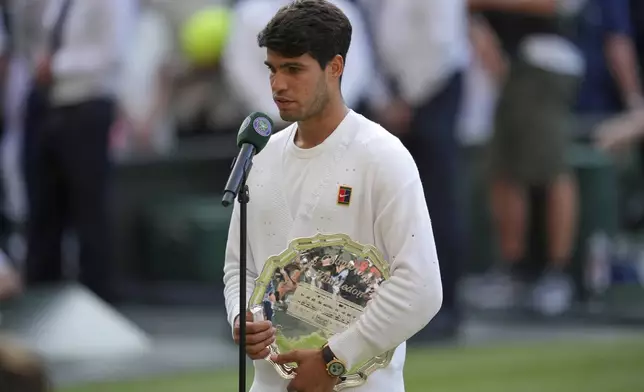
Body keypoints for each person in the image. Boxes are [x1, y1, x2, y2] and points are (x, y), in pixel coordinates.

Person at [222, 1, 443, 391]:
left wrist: (333, 361)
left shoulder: (383, 156)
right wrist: (242, 317)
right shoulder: (259, 156)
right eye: (272, 69)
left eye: (293, 69)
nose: (277, 84)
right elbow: (240, 268)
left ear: (335, 67)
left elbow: (422, 288)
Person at [470, 0, 587, 316]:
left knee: (551, 168)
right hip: (514, 66)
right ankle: (514, 271)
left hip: (548, 62)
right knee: (505, 171)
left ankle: (557, 274)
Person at [18, 0, 136, 302]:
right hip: (46, 104)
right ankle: (41, 298)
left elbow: (112, 51)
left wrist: (56, 66)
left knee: (89, 210)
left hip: (87, 103)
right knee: (43, 211)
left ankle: (97, 298)